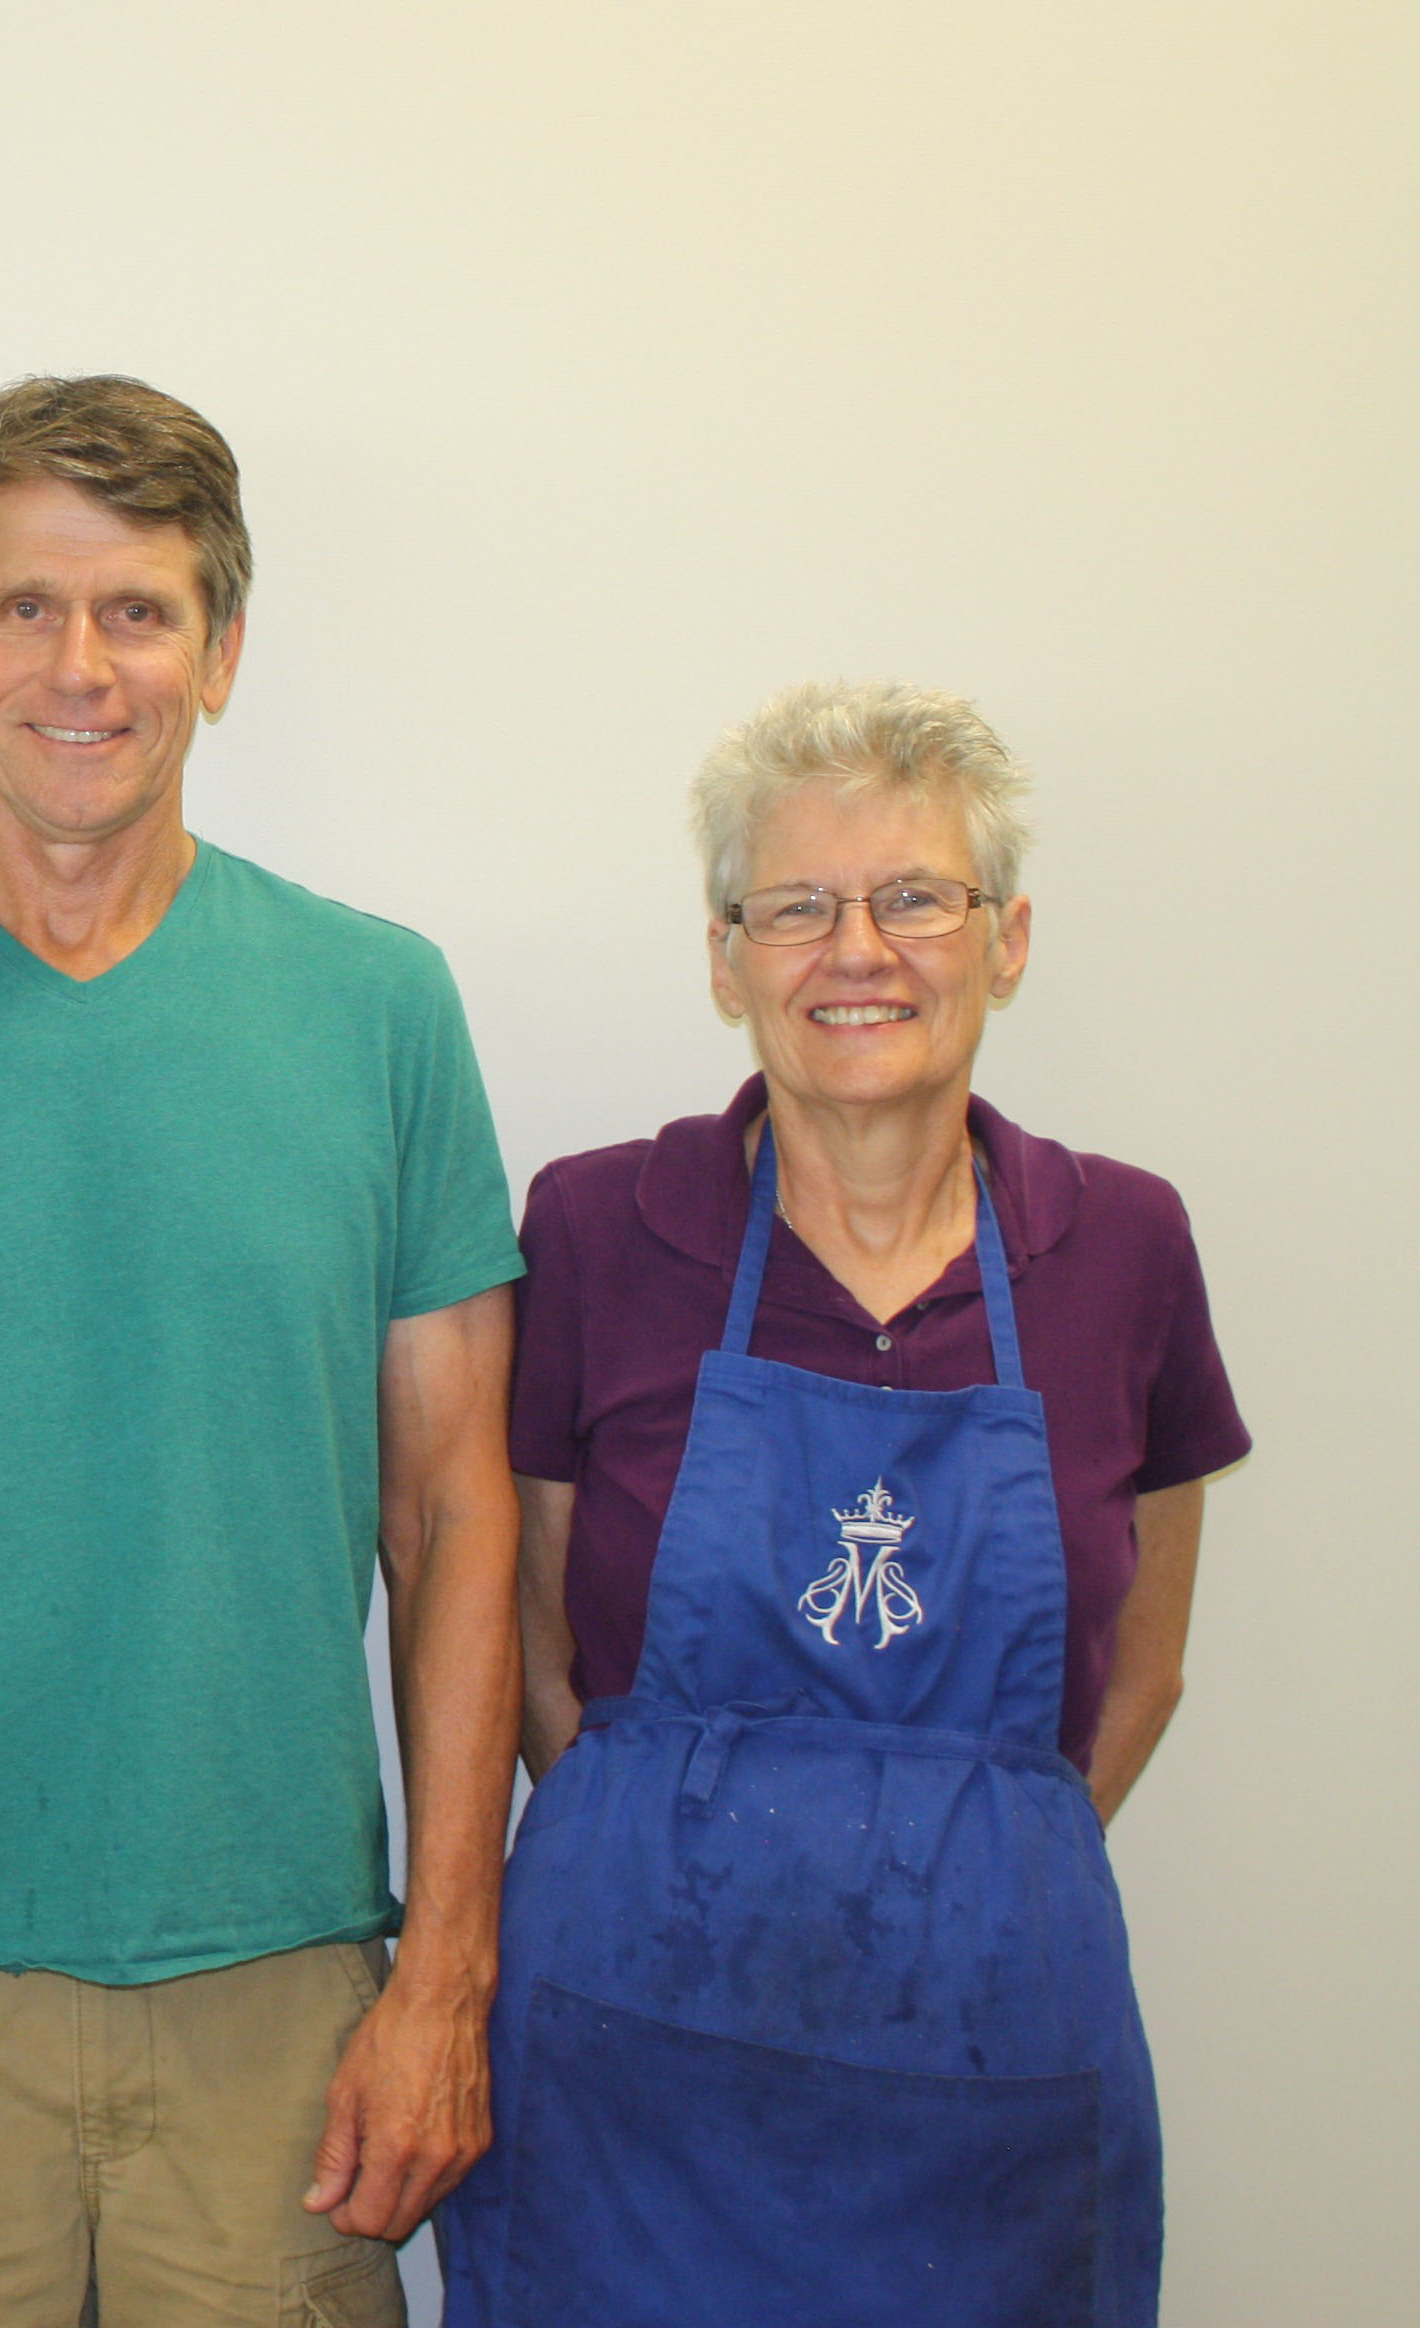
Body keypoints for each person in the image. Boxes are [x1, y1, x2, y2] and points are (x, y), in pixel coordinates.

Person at [0, 374, 528, 2328]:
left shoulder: (380, 1011)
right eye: (29, 606)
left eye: (139, 611)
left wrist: (445, 1972)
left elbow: (458, 1516)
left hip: (287, 2007)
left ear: (221, 654)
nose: (82, 664)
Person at [438, 682, 1246, 2327]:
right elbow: (524, 1628)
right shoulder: (598, 1226)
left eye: (915, 899)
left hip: (994, 2073)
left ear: (1007, 940)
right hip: (629, 2079)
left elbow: (1149, 1652)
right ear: (726, 958)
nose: (855, 949)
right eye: (794, 907)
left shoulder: (1128, 1248)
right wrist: (670, 1860)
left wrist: (967, 1870)